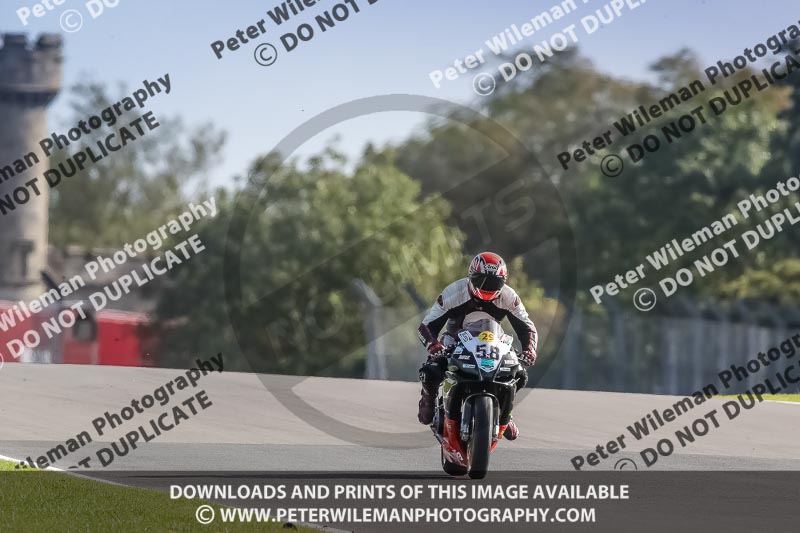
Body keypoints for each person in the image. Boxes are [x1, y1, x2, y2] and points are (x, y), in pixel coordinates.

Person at [416, 252, 537, 440]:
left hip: (493, 344)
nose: (487, 287)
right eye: (482, 280)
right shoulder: (453, 293)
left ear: (503, 281)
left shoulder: (509, 297)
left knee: (520, 374)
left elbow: (527, 327)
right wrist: (433, 345)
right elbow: (426, 326)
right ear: (471, 276)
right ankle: (428, 402)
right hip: (455, 343)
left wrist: (529, 349)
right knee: (430, 371)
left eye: (494, 282)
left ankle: (506, 412)